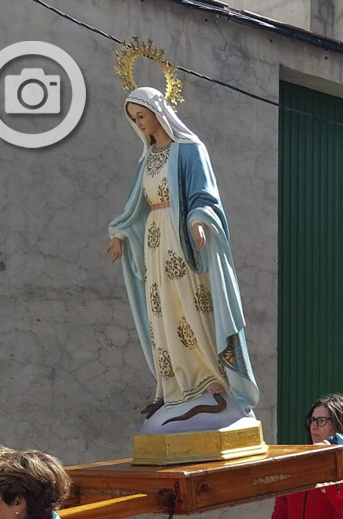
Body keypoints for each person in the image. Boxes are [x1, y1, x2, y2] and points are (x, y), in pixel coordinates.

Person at [106, 87, 260, 432]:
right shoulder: (147, 160)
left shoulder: (190, 150)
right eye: (134, 119)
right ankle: (176, 386)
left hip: (183, 240)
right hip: (155, 242)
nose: (139, 123)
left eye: (141, 115)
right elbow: (136, 204)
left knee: (191, 306)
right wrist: (119, 234)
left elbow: (204, 194)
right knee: (163, 313)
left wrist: (198, 221)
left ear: (158, 110)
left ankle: (211, 380)